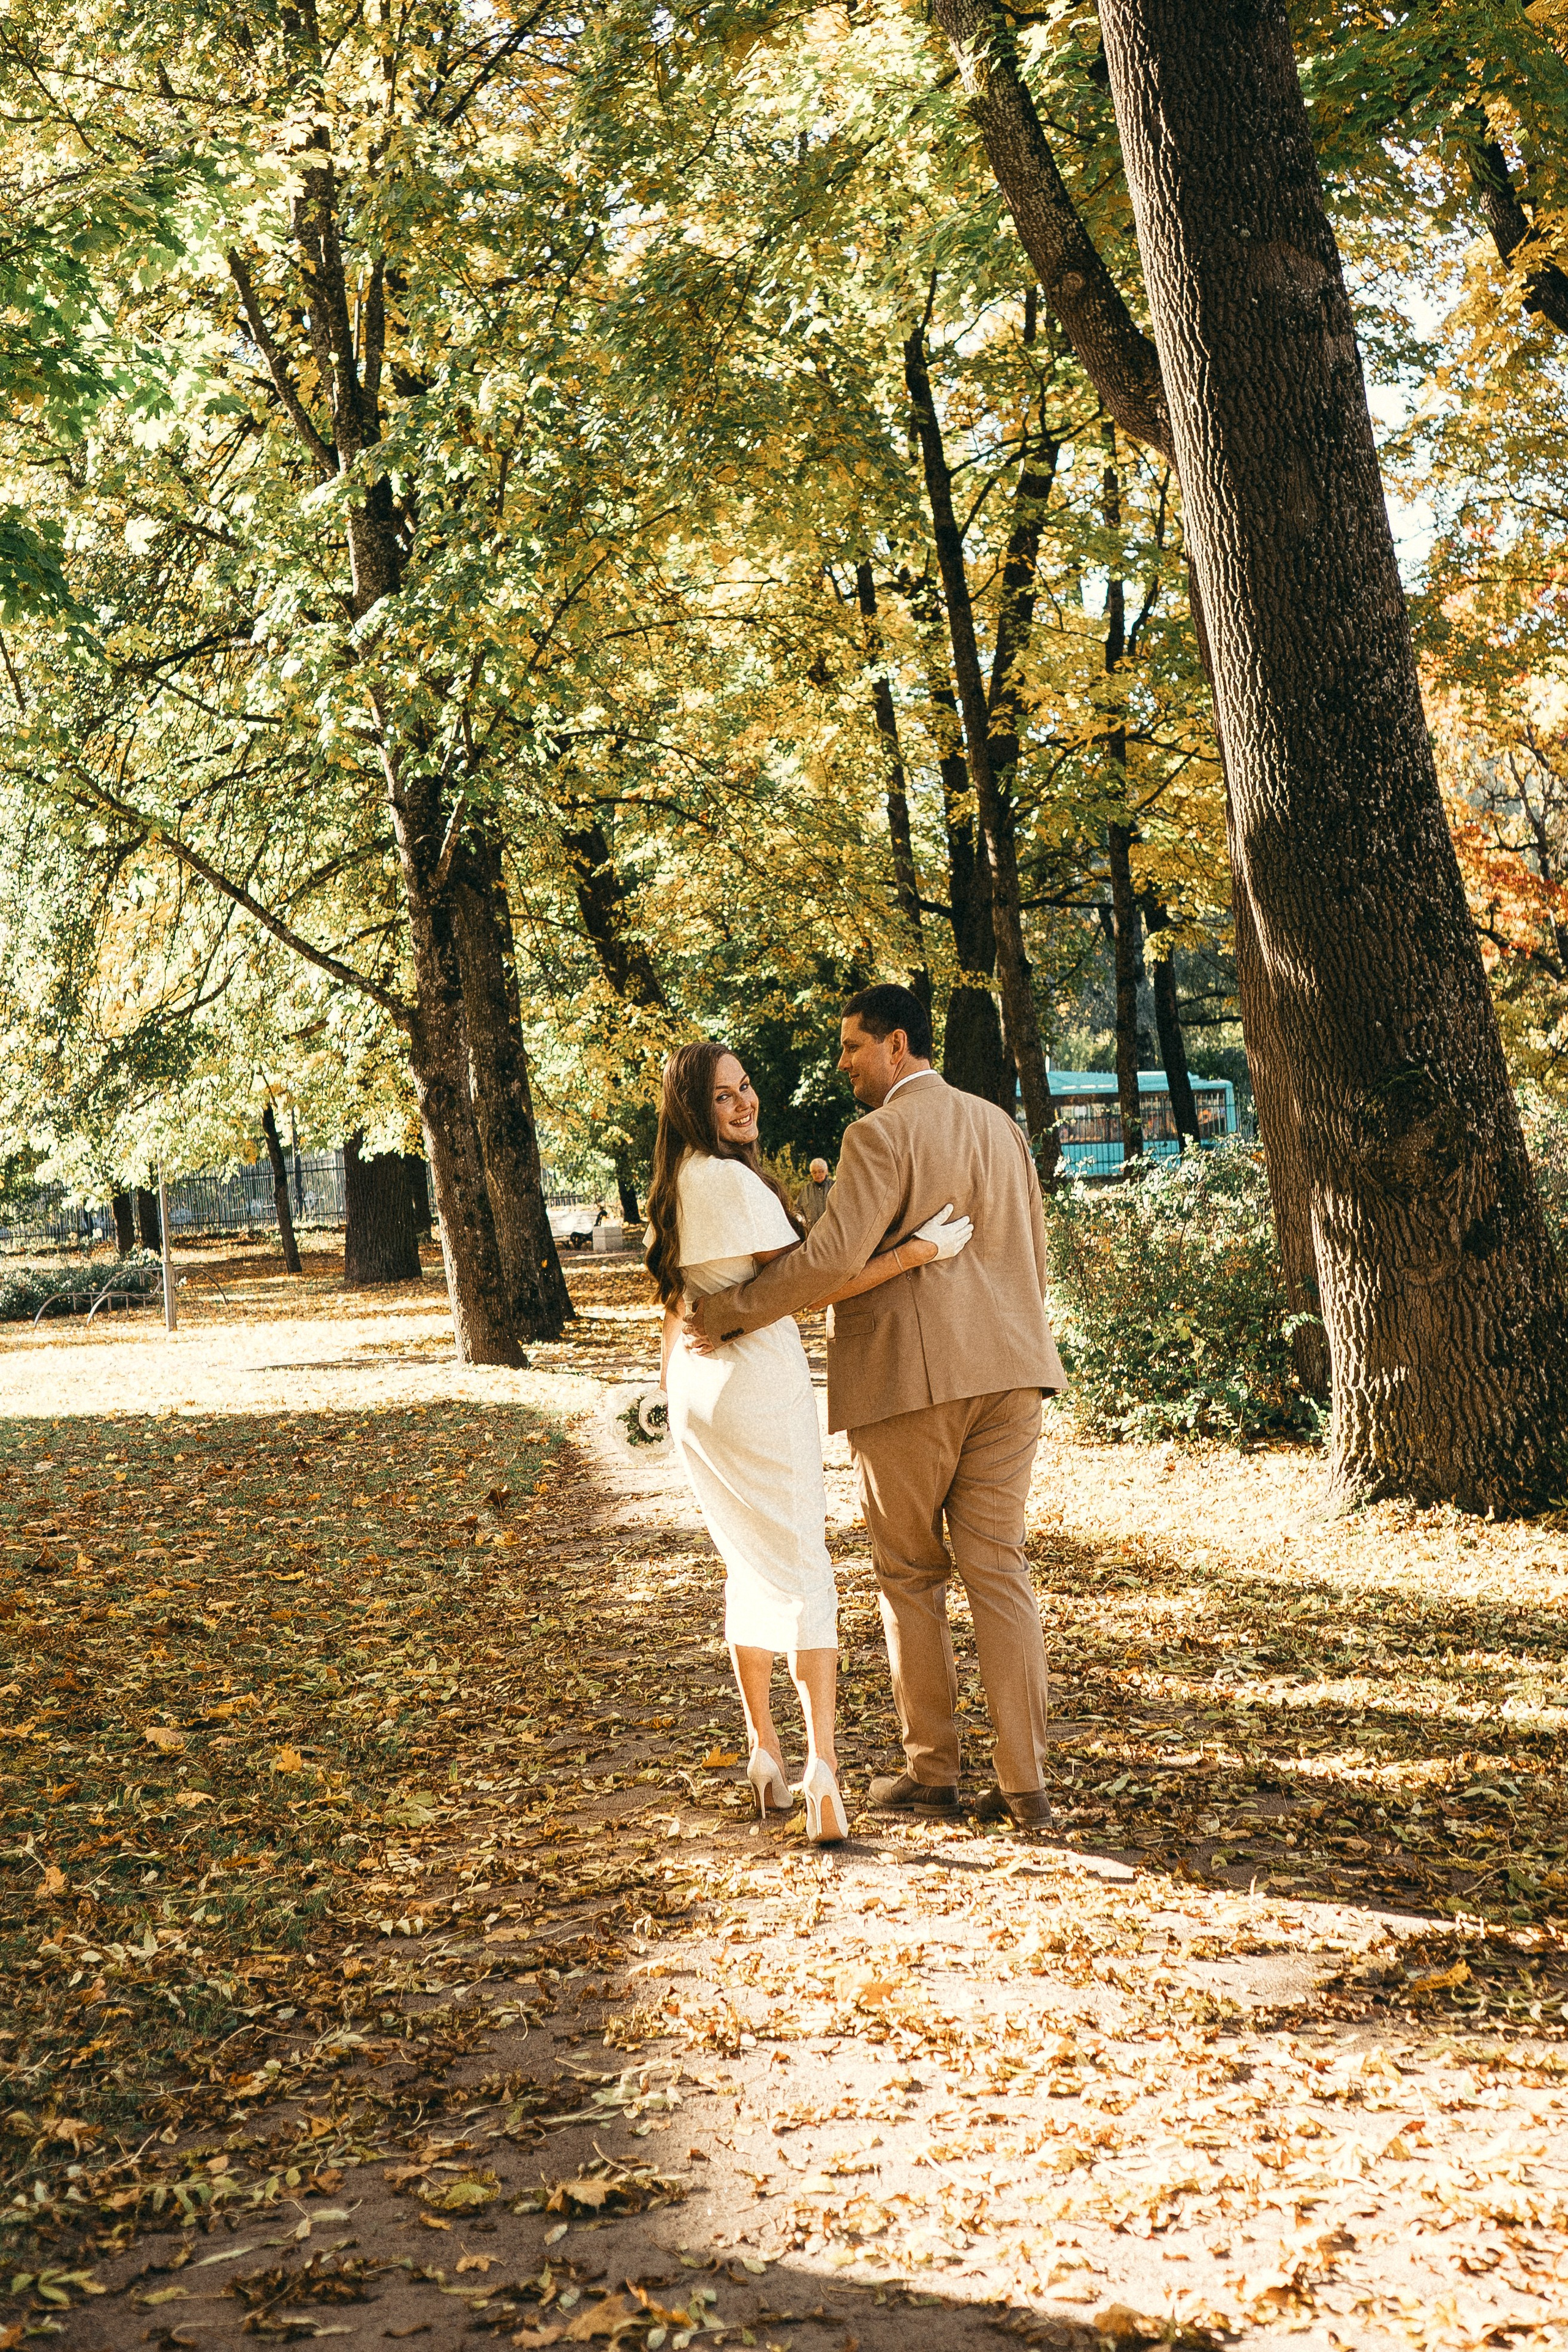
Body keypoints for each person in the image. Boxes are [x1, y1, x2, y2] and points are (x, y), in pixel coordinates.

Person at [687, 983, 1067, 1830]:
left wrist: (725, 1310)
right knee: (1000, 1570)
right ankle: (1026, 1785)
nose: (844, 1062)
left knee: (909, 1575)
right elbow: (1035, 1252)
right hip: (1014, 1376)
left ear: (896, 1045)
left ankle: (934, 1771)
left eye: (853, 1046)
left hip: (911, 1384)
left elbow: (828, 1262)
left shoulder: (880, 1132)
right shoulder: (1000, 1125)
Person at [646, 1039, 973, 1845]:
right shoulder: (726, 1179)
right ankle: (822, 1768)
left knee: (748, 1564)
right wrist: (920, 1252)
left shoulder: (680, 1184)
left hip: (698, 1396)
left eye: (746, 1087)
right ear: (695, 1109)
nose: (744, 1103)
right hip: (756, 1384)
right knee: (802, 1565)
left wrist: (663, 1397)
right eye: (723, 1096)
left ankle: (764, 1753)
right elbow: (816, 1278)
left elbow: (683, 1308)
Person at [796, 1157, 834, 1231]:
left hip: (831, 1233)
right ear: (811, 1173)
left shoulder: (834, 1187)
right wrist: (799, 1218)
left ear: (826, 1171)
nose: (818, 1175)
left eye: (821, 1171)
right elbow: (798, 1210)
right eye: (814, 1172)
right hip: (812, 1234)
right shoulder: (806, 1190)